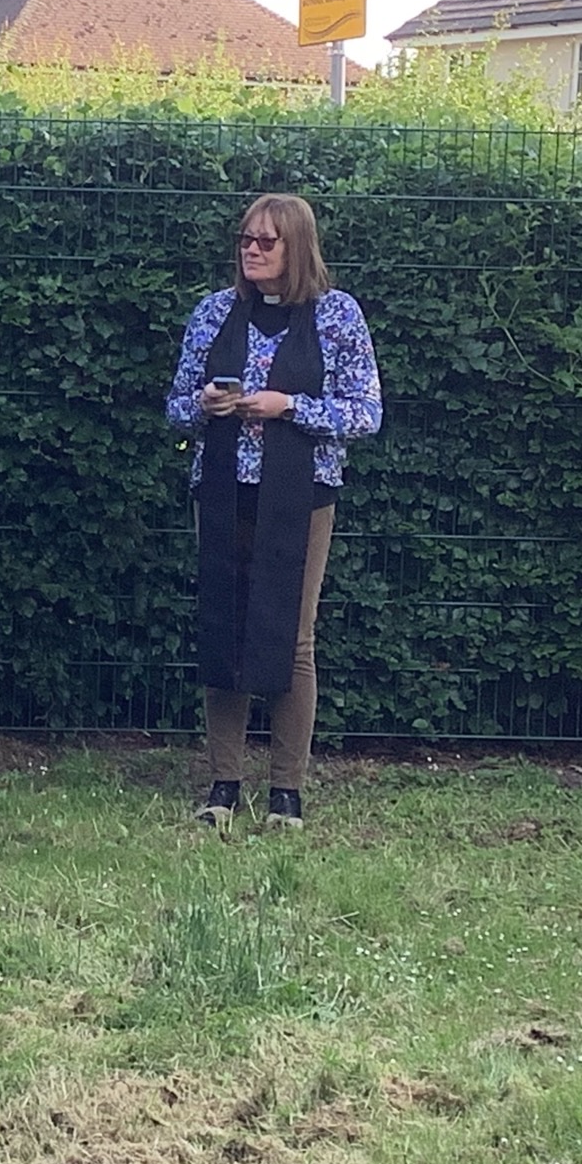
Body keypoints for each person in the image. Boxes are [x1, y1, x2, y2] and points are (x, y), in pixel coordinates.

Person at [165, 193, 381, 831]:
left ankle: (286, 789)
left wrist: (289, 406)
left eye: (266, 241)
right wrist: (206, 405)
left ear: (297, 247)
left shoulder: (337, 316)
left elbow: (365, 413)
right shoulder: (214, 313)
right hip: (224, 488)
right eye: (245, 240)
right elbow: (174, 407)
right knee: (223, 625)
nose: (251, 250)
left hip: (301, 495)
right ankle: (223, 783)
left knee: (294, 637)